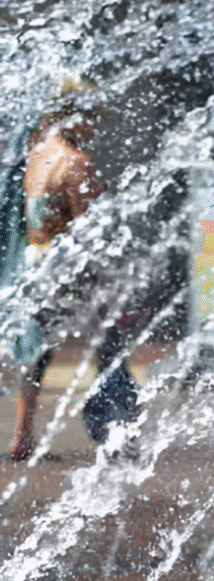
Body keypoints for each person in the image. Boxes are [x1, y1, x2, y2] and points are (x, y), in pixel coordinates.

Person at [3, 96, 140, 460]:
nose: (92, 128)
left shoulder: (37, 154)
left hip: (37, 265)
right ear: (72, 118)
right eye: (89, 119)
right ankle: (117, 436)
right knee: (109, 343)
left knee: (39, 352)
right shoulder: (77, 163)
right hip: (71, 270)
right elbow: (91, 229)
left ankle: (22, 437)